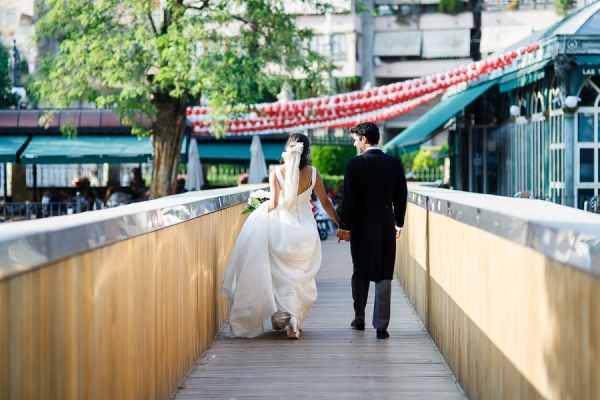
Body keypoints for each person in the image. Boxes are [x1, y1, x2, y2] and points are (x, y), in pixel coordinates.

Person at [220, 133, 341, 339]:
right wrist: (341, 224)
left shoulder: (277, 172)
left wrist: (259, 206)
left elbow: (274, 204)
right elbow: (326, 203)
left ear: (287, 148)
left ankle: (287, 316)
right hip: (306, 230)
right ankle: (293, 317)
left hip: (282, 229)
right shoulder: (313, 173)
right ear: (307, 151)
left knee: (280, 274)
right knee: (299, 275)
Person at [336, 122, 407, 340]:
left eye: (356, 139)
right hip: (385, 223)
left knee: (360, 269)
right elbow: (401, 196)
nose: (355, 144)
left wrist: (344, 227)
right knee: (384, 272)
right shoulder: (394, 163)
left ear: (364, 139)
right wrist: (398, 223)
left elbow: (349, 199)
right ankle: (381, 325)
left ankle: (359, 317)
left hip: (361, 225)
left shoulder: (354, 164)